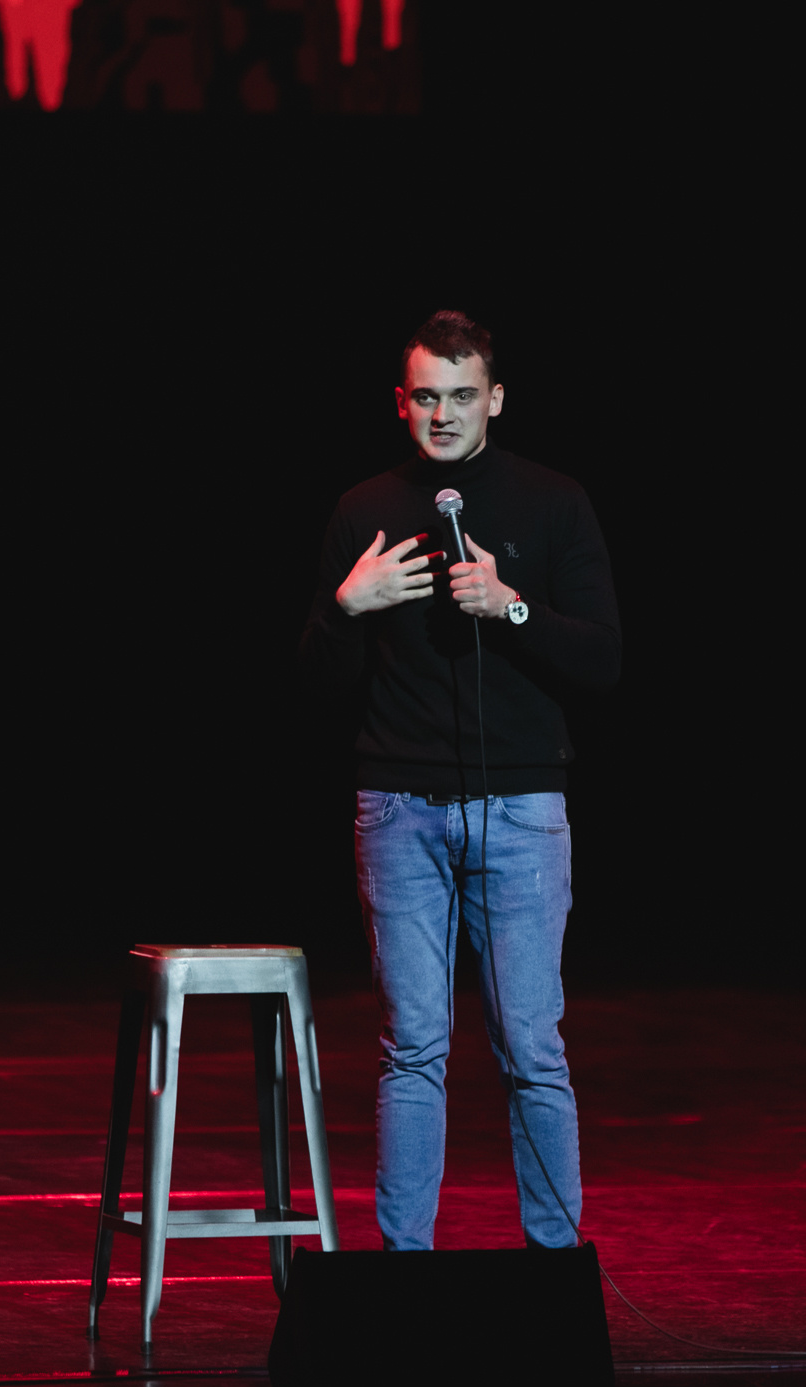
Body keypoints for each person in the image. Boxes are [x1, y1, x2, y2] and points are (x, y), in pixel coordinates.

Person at [298, 310, 622, 1250]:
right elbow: (314, 686)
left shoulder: (554, 502)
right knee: (412, 1050)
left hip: (521, 810)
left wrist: (512, 608)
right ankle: (405, 1270)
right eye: (427, 398)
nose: (443, 415)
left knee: (532, 1048)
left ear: (496, 399)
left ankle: (554, 1268)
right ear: (401, 403)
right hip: (398, 810)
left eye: (462, 396)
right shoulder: (363, 509)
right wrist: (347, 608)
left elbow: (603, 662)